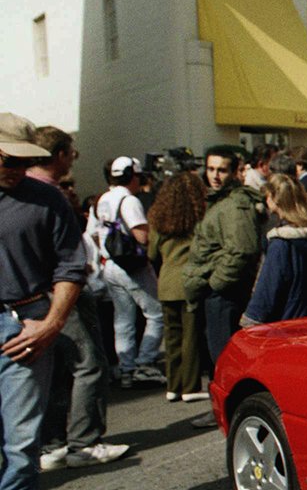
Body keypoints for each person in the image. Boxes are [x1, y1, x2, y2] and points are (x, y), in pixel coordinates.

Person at [0, 112, 88, 490]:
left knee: (21, 446)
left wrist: (52, 324)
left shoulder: (46, 199)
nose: (15, 167)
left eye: (22, 160)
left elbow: (72, 266)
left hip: (24, 326)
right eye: (6, 159)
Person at [27, 129, 125, 470]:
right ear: (60, 155)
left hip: (37, 294)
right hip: (60, 290)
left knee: (56, 369)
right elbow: (62, 254)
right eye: (71, 153)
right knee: (88, 363)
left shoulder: (27, 191)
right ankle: (84, 442)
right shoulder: (46, 195)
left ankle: (53, 443)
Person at [88, 155, 166, 387]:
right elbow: (141, 235)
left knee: (123, 319)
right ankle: (145, 362)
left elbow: (92, 233)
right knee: (156, 313)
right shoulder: (129, 200)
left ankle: (126, 367)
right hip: (131, 265)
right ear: (133, 176)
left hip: (109, 264)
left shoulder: (101, 199)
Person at [183, 144, 264, 363]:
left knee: (224, 357)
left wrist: (215, 283)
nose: (215, 176)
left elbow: (242, 249)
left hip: (225, 293)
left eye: (221, 170)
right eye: (211, 169)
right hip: (217, 290)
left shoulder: (235, 204)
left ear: (234, 171)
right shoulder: (220, 200)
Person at [243, 174, 307, 325]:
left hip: (286, 327)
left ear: (273, 197)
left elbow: (266, 294)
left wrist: (251, 321)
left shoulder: (281, 244)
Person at [147, 171, 208, 405]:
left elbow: (152, 253)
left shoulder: (158, 218)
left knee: (171, 338)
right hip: (190, 283)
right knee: (190, 337)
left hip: (165, 283)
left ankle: (173, 385)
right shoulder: (198, 218)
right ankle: (190, 386)